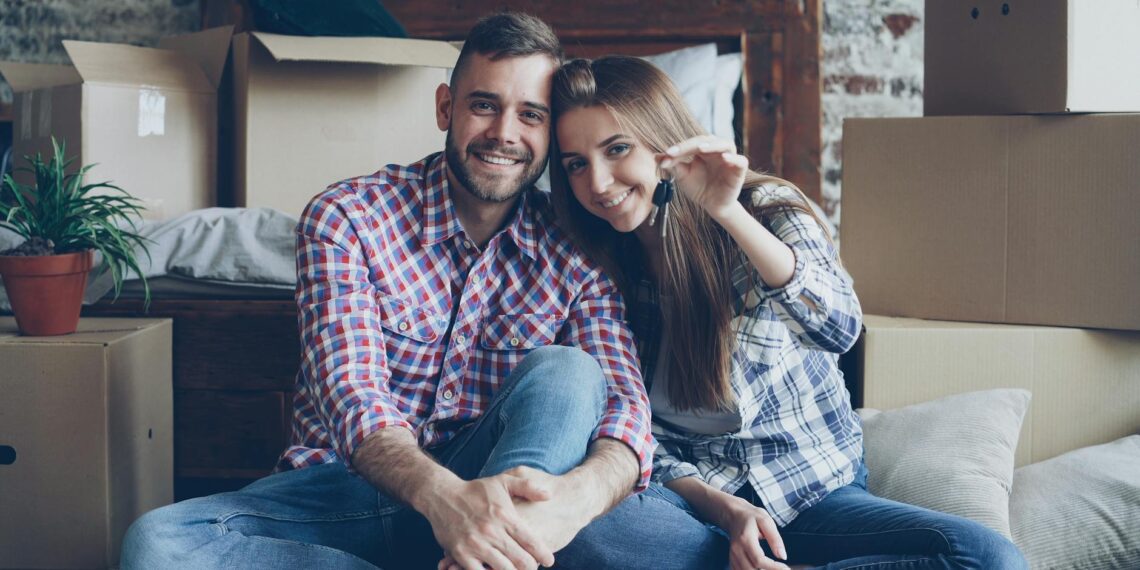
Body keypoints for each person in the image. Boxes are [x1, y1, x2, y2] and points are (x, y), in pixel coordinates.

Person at [120, 14, 730, 570]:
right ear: (445, 107)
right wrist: (449, 504)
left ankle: (493, 556)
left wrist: (575, 499)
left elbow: (625, 407)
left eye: (531, 115)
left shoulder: (579, 246)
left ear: (550, 132)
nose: (504, 133)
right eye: (484, 106)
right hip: (343, 494)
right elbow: (352, 394)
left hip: (508, 493)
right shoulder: (349, 217)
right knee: (158, 544)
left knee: (570, 373)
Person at [548, 55, 1029, 570]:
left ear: (665, 143)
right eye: (576, 163)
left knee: (987, 558)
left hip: (812, 494)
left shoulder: (766, 209)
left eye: (616, 149)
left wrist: (727, 213)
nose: (597, 182)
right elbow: (634, 431)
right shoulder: (593, 264)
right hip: (695, 511)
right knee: (575, 526)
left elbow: (838, 330)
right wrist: (728, 512)